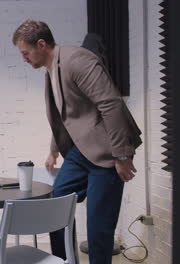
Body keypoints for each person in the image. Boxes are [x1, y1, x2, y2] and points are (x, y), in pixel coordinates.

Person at [12, 19, 142, 264]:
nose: (24, 59)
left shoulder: (78, 60)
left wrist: (122, 155)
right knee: (57, 205)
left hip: (107, 151)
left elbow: (111, 103)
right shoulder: (52, 69)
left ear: (41, 44)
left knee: (98, 226)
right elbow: (67, 117)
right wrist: (53, 151)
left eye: (25, 53)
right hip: (81, 152)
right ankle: (62, 261)